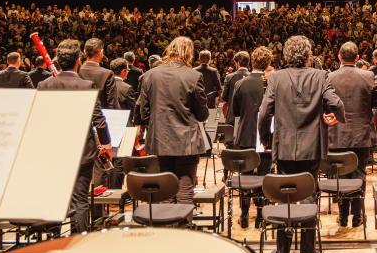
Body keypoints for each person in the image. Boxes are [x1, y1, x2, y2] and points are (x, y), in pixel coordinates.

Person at [258, 36, 345, 253]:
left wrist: (266, 138)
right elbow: (336, 104)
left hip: (284, 145)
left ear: (287, 55)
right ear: (308, 55)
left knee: (283, 196)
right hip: (312, 147)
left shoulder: (275, 77)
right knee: (308, 195)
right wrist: (337, 118)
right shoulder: (320, 76)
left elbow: (264, 112)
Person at [37, 39, 112, 233]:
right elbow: (99, 120)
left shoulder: (44, 85)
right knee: (80, 200)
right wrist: (106, 144)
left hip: (52, 151)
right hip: (82, 152)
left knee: (55, 198)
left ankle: (54, 239)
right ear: (78, 60)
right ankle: (79, 241)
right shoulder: (86, 85)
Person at [135, 36, 210, 203]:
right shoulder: (193, 76)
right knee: (184, 190)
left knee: (164, 191)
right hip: (187, 141)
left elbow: (144, 113)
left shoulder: (150, 75)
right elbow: (202, 115)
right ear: (189, 52)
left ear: (170, 50)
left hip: (159, 139)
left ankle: (166, 228)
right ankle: (183, 228)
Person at [327, 42, 377, 228]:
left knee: (342, 176)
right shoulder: (368, 76)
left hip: (336, 134)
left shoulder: (329, 77)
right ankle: (357, 217)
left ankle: (343, 217)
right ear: (358, 58)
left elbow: (325, 105)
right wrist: (368, 116)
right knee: (359, 174)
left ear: (339, 57)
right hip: (361, 134)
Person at [230, 46, 272, 228]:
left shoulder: (241, 83)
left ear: (253, 62)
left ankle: (245, 215)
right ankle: (261, 217)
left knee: (245, 176)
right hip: (266, 137)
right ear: (268, 63)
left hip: (245, 135)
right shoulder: (272, 82)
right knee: (264, 175)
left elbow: (235, 112)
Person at [79, 38, 119, 109]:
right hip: (100, 117)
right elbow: (112, 104)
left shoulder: (76, 71)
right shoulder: (107, 74)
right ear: (101, 53)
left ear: (84, 52)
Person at [221, 50, 251, 128]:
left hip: (232, 117)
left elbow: (224, 97)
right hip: (248, 118)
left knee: (230, 139)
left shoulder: (229, 77)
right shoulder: (254, 77)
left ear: (237, 63)